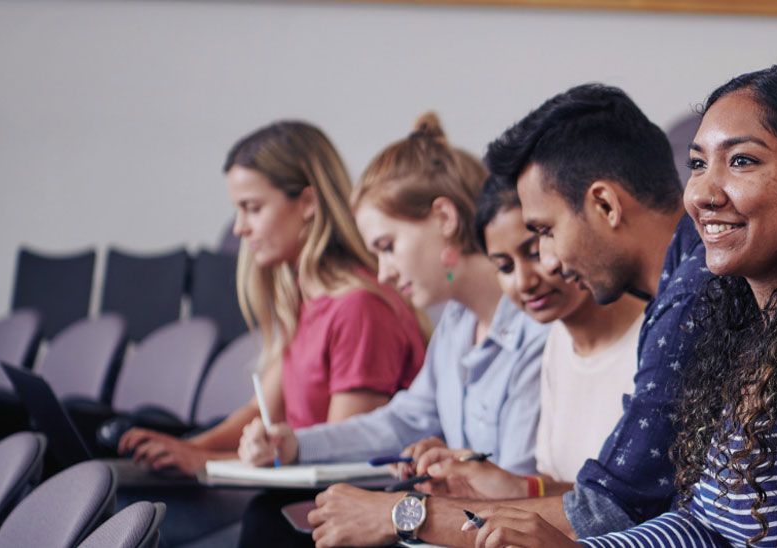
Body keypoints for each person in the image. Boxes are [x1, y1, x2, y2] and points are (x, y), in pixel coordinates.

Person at [475, 65, 777, 548]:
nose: (702, 193)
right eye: (699, 164)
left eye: (742, 161)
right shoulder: (746, 328)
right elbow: (701, 526)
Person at [302, 84, 713, 548]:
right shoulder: (680, 289)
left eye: (546, 232)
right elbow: (625, 499)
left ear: (605, 205)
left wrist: (405, 514)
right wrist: (516, 491)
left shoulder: (692, 299)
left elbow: (609, 512)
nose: (551, 264)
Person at [233, 114, 549, 545]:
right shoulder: (457, 324)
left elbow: (519, 496)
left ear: (444, 218)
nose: (382, 272)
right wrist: (295, 445)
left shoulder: (537, 326)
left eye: (387, 247)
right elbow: (402, 420)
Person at [119, 120, 426, 476]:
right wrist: (184, 448)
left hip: (320, 511)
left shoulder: (359, 308)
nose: (239, 227)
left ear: (308, 202)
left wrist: (202, 462)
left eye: (252, 208)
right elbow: (262, 411)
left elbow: (343, 461)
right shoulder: (303, 298)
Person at [410, 176, 646, 500]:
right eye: (504, 267)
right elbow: (567, 491)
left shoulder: (654, 339)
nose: (524, 281)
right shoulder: (558, 342)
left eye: (534, 252)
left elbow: (636, 506)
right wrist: (478, 482)